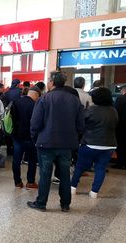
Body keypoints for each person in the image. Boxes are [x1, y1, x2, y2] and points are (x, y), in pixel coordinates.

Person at [27, 71, 84, 212]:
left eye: (48, 80)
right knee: (65, 174)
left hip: (46, 143)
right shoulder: (74, 100)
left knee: (45, 174)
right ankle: (65, 204)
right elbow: (81, 125)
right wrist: (75, 138)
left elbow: (35, 123)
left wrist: (35, 138)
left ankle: (41, 203)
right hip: (67, 144)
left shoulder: (44, 99)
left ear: (52, 82)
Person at [71, 87, 118, 198]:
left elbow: (81, 124)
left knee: (80, 167)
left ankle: (72, 188)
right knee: (100, 168)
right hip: (109, 145)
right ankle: (94, 192)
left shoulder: (91, 109)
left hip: (90, 143)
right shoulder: (113, 110)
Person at [11, 86, 41, 189]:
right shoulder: (35, 105)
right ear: (36, 95)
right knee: (32, 160)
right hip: (30, 137)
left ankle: (17, 182)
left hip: (17, 136)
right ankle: (30, 182)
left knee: (16, 160)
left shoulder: (15, 102)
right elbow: (36, 122)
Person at [114, 85, 126, 169]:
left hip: (122, 126)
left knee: (121, 145)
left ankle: (120, 163)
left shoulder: (121, 99)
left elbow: (115, 112)